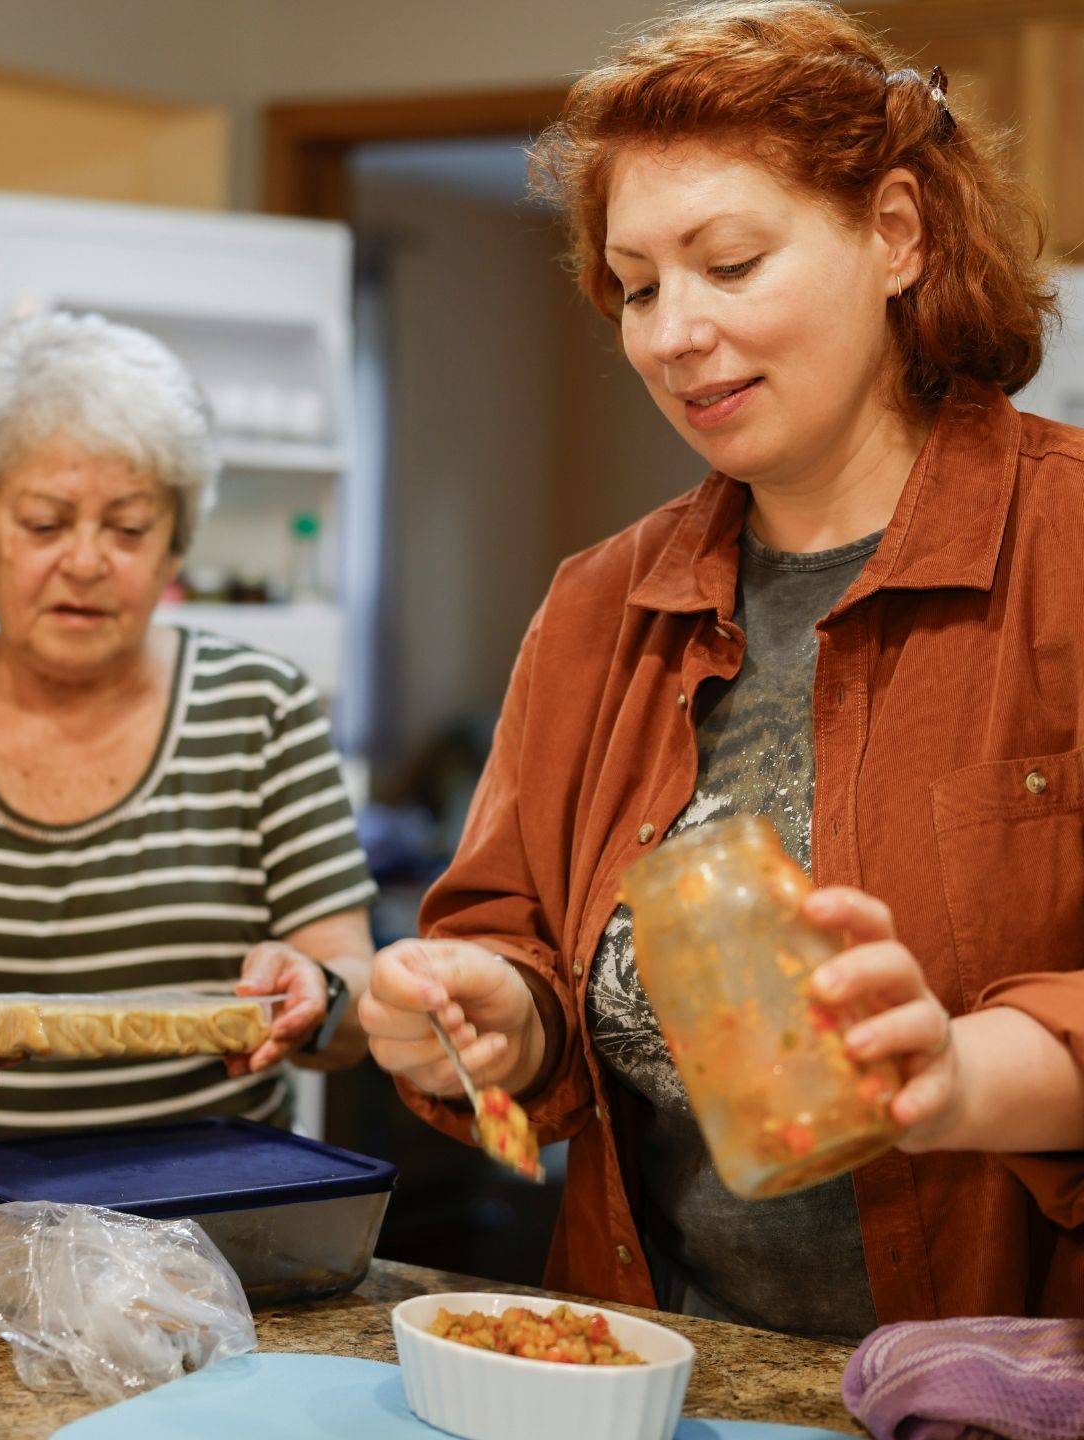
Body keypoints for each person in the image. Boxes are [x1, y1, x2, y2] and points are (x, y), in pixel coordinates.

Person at [357, 0, 1084, 1333]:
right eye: (637, 287)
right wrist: (496, 1012)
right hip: (655, 1368)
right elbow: (517, 948)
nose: (669, 332)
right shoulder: (598, 607)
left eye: (729, 264)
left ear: (897, 235)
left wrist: (965, 1072)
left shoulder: (1066, 551)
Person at [0, 311, 377, 1137]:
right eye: (45, 524)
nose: (84, 562)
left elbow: (353, 993)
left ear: (175, 549)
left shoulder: (263, 710)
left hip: (213, 1202)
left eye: (129, 529)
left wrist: (318, 993)